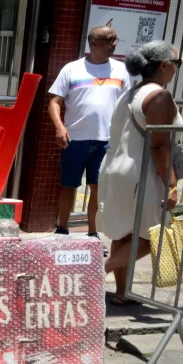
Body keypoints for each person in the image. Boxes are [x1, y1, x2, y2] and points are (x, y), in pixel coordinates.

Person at [98, 41, 183, 305]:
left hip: (115, 170)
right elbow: (160, 145)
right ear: (164, 65)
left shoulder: (130, 93)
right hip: (140, 174)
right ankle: (97, 272)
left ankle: (122, 292)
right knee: (155, 234)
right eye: (177, 64)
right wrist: (171, 186)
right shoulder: (159, 97)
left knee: (124, 233)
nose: (177, 70)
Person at [48, 25, 131, 244]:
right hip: (74, 140)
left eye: (115, 39)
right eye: (110, 40)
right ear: (94, 42)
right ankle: (62, 231)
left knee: (98, 189)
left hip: (106, 141)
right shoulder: (72, 69)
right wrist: (59, 127)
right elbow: (55, 101)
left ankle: (93, 235)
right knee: (68, 186)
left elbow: (127, 105)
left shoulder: (121, 70)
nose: (115, 44)